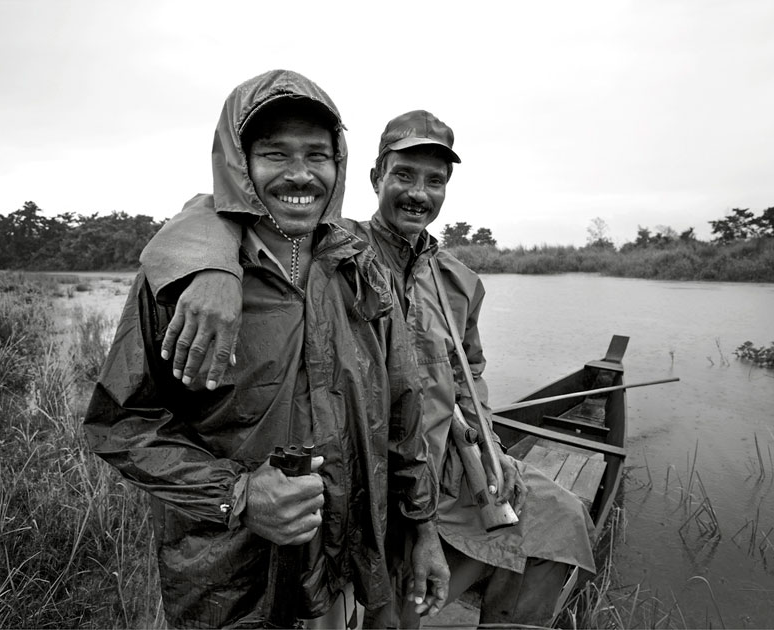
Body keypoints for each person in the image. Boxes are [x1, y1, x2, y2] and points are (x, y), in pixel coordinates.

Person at [139, 109, 596, 627]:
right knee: (386, 599)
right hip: (366, 471)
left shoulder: (460, 281)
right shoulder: (336, 250)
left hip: (440, 465)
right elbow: (212, 209)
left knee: (563, 518)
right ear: (376, 177)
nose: (417, 193)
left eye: (434, 181)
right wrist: (215, 268)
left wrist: (491, 447)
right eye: (403, 175)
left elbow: (471, 373)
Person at [84, 70, 449, 629]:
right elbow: (120, 424)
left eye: (317, 155)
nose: (300, 174)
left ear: (339, 164)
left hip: (341, 566)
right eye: (275, 154)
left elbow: (403, 413)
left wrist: (423, 530)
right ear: (240, 165)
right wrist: (238, 494)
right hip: (230, 580)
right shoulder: (184, 284)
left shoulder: (361, 271)